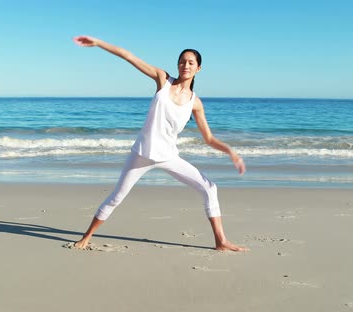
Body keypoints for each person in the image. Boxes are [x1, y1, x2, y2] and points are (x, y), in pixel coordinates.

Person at [72, 35, 248, 252]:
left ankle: (220, 241)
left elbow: (209, 139)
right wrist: (99, 43)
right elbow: (129, 56)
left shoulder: (196, 103)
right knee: (116, 197)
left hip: (168, 157)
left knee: (210, 188)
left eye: (191, 62)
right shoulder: (163, 80)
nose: (185, 65)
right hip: (142, 155)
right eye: (182, 61)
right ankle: (86, 236)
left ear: (198, 69)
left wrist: (231, 152)